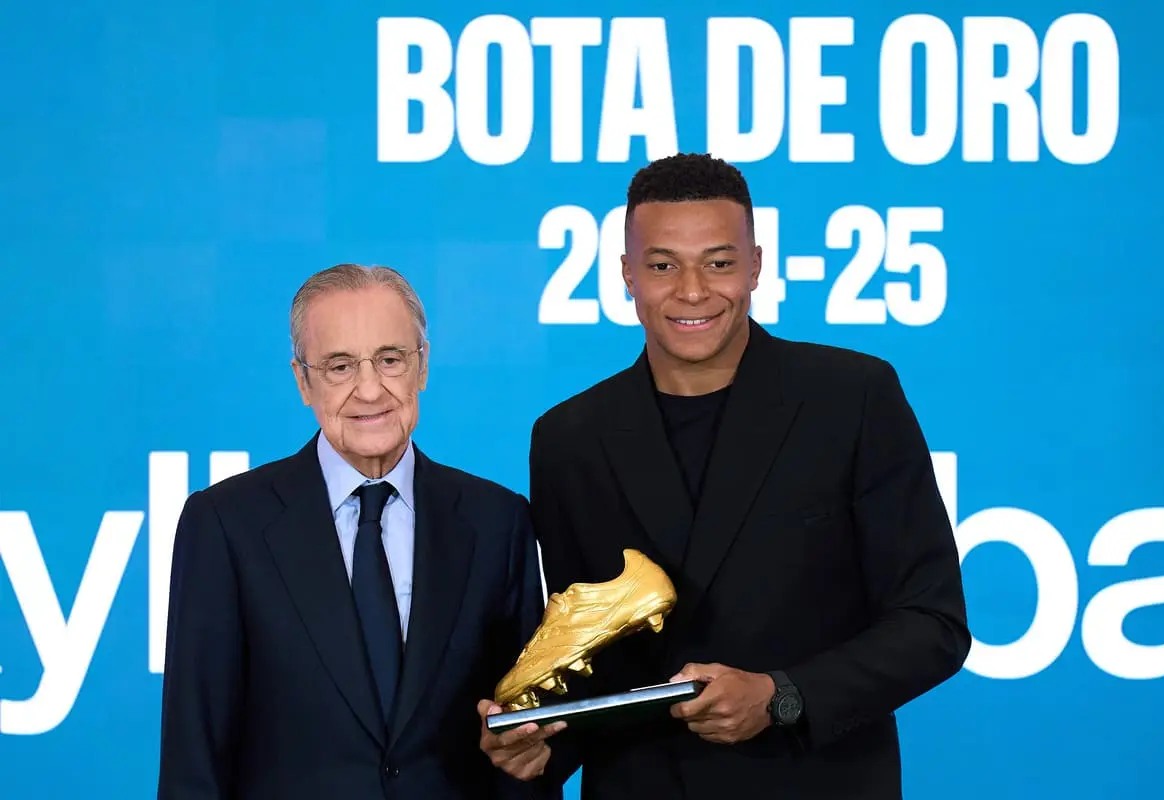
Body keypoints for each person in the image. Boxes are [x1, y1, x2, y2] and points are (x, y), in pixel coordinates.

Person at [478, 154, 971, 799]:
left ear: (757, 266)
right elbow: (590, 660)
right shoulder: (569, 438)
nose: (692, 291)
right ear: (626, 274)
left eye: (719, 262)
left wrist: (780, 697)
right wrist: (535, 742)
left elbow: (931, 624)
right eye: (662, 266)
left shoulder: (854, 399)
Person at [158, 264, 559, 800]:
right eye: (340, 366)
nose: (370, 390)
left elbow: (522, 741)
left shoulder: (497, 520)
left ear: (422, 366)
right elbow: (195, 756)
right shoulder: (227, 524)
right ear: (303, 380)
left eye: (390, 360)